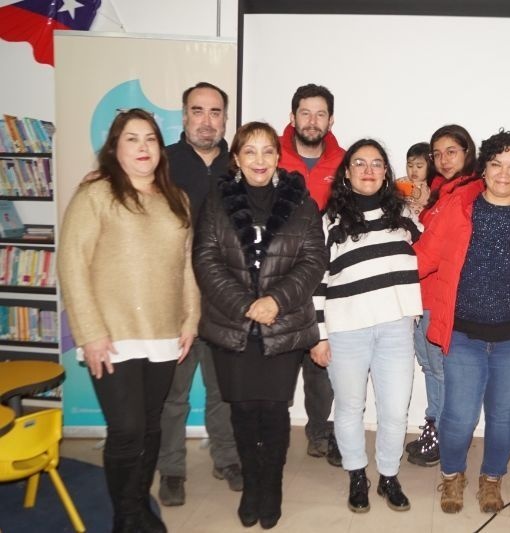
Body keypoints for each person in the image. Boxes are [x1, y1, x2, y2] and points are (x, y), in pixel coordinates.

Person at [58, 108, 200, 533]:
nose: (143, 147)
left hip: (164, 333)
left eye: (151, 139)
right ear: (115, 148)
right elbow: (72, 265)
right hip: (112, 335)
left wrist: (190, 319)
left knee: (152, 425)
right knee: (126, 430)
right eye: (132, 139)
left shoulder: (178, 199)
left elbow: (186, 267)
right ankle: (125, 517)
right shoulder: (96, 195)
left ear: (161, 147)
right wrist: (90, 333)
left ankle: (138, 504)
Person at [192, 122, 328, 529]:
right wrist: (246, 304)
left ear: (277, 157)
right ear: (236, 158)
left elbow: (313, 259)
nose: (259, 160)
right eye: (249, 152)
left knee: (273, 411)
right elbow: (206, 259)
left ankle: (272, 487)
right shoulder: (217, 200)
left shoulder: (301, 201)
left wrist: (275, 301)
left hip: (282, 324)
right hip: (232, 325)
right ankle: (251, 486)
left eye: (267, 151)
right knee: (243, 412)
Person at [414, 130, 510, 513]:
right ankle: (452, 475)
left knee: (504, 418)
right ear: (485, 168)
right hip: (463, 335)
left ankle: (492, 478)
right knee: (458, 417)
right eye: (496, 164)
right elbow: (422, 258)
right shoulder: (459, 207)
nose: (504, 174)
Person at [309, 139, 422, 513]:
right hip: (347, 330)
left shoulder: (406, 215)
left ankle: (389, 475)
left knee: (393, 411)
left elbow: (433, 255)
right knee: (349, 407)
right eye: (360, 163)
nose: (369, 170)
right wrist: (320, 335)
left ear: (386, 172)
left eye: (376, 163)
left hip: (395, 327)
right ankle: (357, 475)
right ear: (347, 172)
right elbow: (318, 282)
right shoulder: (329, 221)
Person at [157, 81, 242, 507]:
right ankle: (171, 469)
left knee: (222, 388)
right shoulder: (163, 164)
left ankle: (226, 458)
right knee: (173, 393)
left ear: (226, 118)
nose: (206, 120)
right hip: (176, 299)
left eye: (214, 112)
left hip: (225, 300)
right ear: (184, 115)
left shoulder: (240, 165)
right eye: (197, 110)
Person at [278, 83, 346, 465]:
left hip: (327, 278)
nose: (313, 121)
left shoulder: (344, 160)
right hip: (279, 278)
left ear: (331, 119)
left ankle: (320, 431)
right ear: (292, 116)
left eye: (321, 114)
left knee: (321, 358)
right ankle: (270, 433)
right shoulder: (269, 152)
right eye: (305, 113)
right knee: (278, 360)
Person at [406, 124, 478, 468]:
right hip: (423, 294)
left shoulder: (466, 193)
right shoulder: (443, 192)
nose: (443, 159)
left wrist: (393, 270)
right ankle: (434, 427)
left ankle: (443, 435)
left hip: (440, 296)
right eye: (437, 154)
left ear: (468, 153)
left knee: (440, 370)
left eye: (452, 151)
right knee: (430, 367)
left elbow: (432, 251)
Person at [394, 142, 434, 217]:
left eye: (419, 166)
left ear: (430, 167)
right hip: (401, 218)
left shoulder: (429, 186)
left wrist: (419, 195)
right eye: (410, 165)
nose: (414, 170)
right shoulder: (401, 182)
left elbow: (430, 203)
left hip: (420, 220)